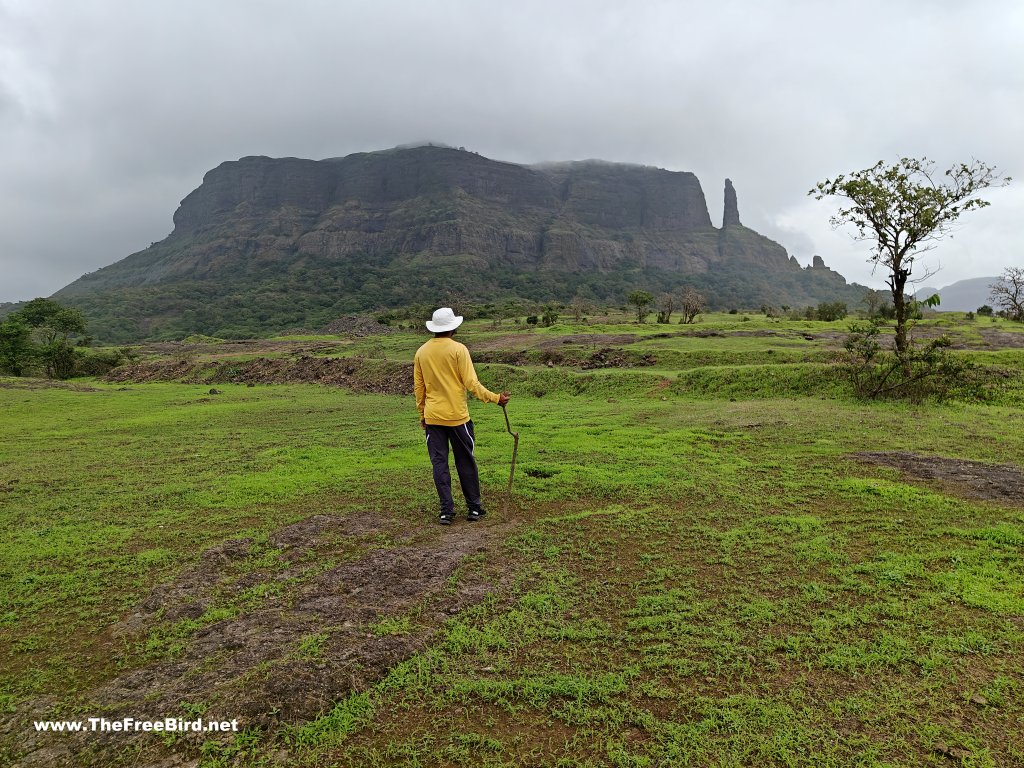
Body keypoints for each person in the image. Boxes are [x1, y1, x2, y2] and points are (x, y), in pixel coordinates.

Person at [414, 307, 511, 525]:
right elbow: (471, 384)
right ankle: (474, 508)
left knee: (439, 464)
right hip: (458, 417)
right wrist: (496, 398)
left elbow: (419, 388)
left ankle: (446, 511)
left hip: (433, 418)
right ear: (454, 327)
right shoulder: (459, 350)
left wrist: (422, 414)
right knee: (465, 461)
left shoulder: (421, 352)